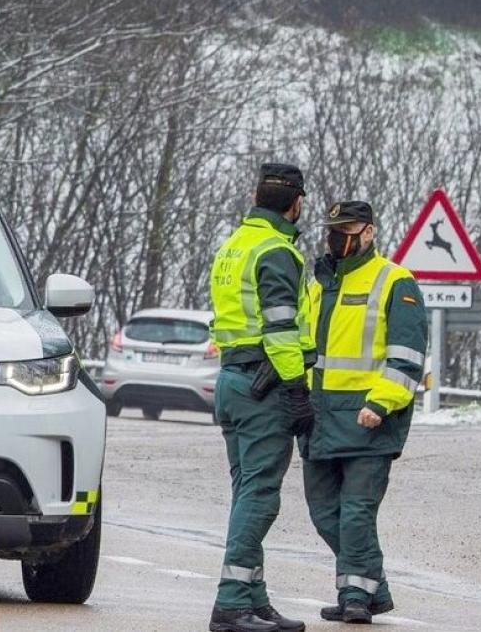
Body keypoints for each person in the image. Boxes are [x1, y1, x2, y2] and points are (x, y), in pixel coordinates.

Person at [302, 201, 427, 624]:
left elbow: (407, 356)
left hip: (369, 419)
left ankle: (355, 595)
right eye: (333, 229)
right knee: (324, 513)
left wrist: (380, 402)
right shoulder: (318, 283)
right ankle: (376, 587)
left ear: (369, 232)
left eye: (347, 229)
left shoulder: (395, 281)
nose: (337, 237)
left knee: (356, 513)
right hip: (318, 418)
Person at [207, 163, 315, 632]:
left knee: (246, 493)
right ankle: (232, 604)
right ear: (296, 203)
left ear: (256, 195)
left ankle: (254, 598)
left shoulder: (233, 246)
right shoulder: (277, 251)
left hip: (233, 381)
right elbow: (281, 328)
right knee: (260, 497)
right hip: (263, 385)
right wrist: (295, 389)